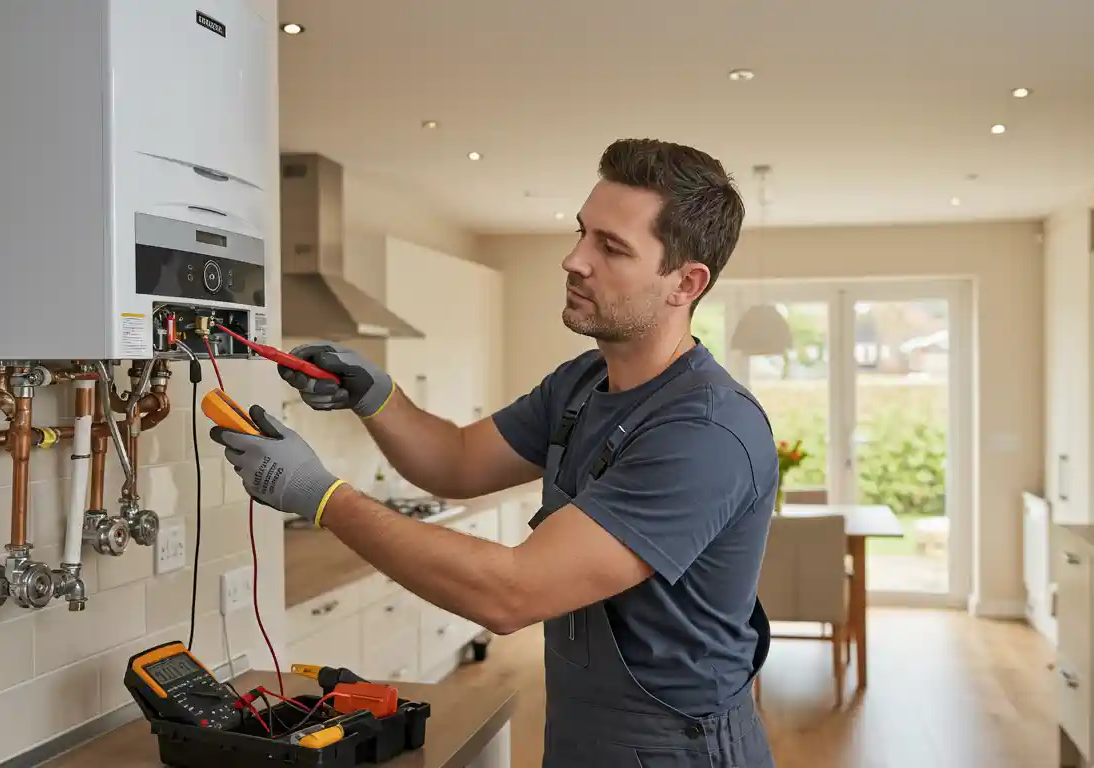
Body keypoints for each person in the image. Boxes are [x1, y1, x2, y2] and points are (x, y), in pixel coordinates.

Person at [210, 138, 779, 767]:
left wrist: (321, 497)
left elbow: (510, 593)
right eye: (582, 233)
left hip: (680, 751)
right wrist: (375, 395)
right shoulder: (583, 383)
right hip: (583, 732)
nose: (574, 259)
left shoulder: (705, 433)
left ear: (685, 283)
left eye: (611, 247)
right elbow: (454, 461)